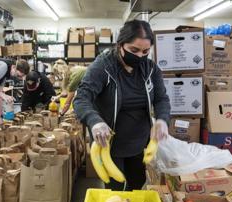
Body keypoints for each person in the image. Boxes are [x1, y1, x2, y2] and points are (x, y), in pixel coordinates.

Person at [73, 20, 171, 191]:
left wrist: (162, 120)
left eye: (145, 51)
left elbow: (162, 99)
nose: (140, 55)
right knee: (116, 189)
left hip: (140, 144)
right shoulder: (103, 66)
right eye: (134, 50)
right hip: (110, 144)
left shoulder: (150, 69)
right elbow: (81, 98)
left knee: (136, 185)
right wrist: (94, 121)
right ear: (120, 45)